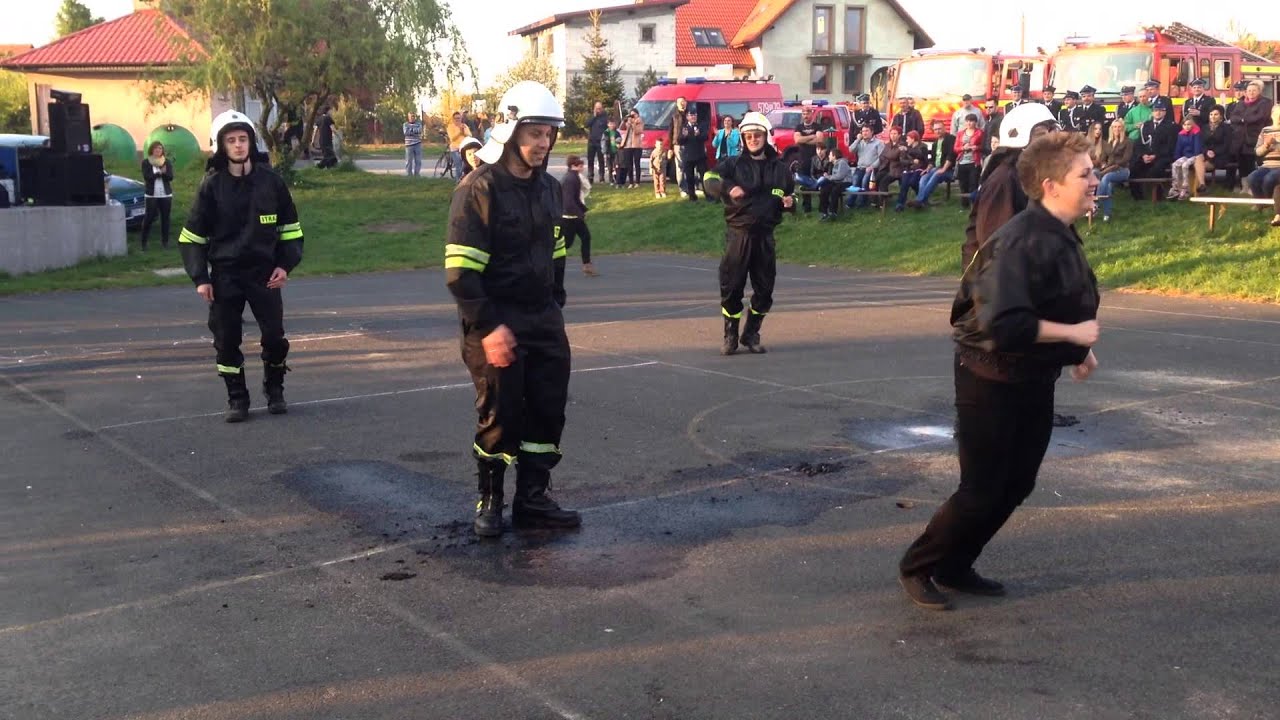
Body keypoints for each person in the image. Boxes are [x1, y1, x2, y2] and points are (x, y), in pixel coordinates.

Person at [899, 131, 1101, 611]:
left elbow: (1060, 299)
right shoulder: (1021, 239)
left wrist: (1078, 352)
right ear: (1052, 185)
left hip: (1031, 375)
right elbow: (1005, 324)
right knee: (982, 488)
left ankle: (955, 564)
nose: (1096, 180)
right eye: (1085, 174)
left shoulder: (1060, 230)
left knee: (1017, 483)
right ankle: (919, 565)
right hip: (989, 376)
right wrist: (1073, 337)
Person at [446, 81, 579, 537]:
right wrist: (489, 327)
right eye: (534, 133)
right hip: (493, 321)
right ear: (510, 131)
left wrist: (555, 302)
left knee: (547, 410)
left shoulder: (548, 188)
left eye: (549, 134)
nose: (543, 143)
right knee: (501, 415)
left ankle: (533, 498)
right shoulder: (477, 189)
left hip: (542, 318)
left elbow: (556, 248)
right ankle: (490, 500)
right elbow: (460, 272)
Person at [179, 110, 303, 423]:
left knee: (274, 336)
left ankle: (275, 389)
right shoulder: (211, 187)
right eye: (231, 140)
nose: (238, 145)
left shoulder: (271, 183)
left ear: (251, 142)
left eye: (243, 139)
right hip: (225, 277)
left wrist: (285, 266)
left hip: (264, 275)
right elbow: (191, 236)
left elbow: (291, 230)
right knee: (226, 338)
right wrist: (200, 278)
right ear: (220, 145)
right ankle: (237, 398)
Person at [716, 111, 794, 356]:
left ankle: (751, 334)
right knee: (732, 287)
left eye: (757, 135)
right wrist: (729, 188)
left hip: (765, 237)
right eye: (748, 136)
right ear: (743, 138)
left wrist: (791, 202)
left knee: (765, 289)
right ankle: (730, 336)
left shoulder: (781, 170)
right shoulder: (732, 164)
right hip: (739, 235)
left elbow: (788, 195)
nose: (753, 139)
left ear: (765, 137)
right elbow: (708, 179)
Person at [961, 102, 1059, 268]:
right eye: (1041, 134)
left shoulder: (1031, 173)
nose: (1050, 141)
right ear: (1020, 140)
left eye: (1052, 132)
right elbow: (995, 244)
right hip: (1003, 282)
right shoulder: (1004, 179)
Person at [1129, 99, 1178, 201]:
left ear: (1164, 112)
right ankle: (1138, 198)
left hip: (1162, 156)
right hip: (1146, 156)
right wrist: (1143, 155)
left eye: (1161, 110)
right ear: (1152, 112)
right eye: (1156, 110)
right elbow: (1140, 143)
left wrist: (1155, 156)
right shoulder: (1146, 125)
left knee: (1156, 170)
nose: (1158, 112)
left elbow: (1170, 146)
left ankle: (1158, 196)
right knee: (1133, 169)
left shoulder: (1171, 126)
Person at [1230, 81, 1276, 188]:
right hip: (1240, 139)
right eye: (1249, 90)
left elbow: (1260, 117)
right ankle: (1244, 187)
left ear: (1259, 91)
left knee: (1254, 163)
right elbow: (1233, 117)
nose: (1251, 93)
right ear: (1245, 92)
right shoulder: (1241, 103)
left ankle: (1254, 187)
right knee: (1243, 164)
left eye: (1254, 90)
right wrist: (1243, 119)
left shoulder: (1265, 102)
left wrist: (1242, 119)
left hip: (1255, 137)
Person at [560, 155, 597, 276]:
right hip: (569, 217)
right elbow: (569, 201)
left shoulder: (574, 177)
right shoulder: (570, 179)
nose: (582, 168)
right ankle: (547, 260)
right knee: (567, 243)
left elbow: (576, 198)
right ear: (573, 166)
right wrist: (580, 213)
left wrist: (583, 210)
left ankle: (587, 265)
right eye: (579, 166)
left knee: (586, 237)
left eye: (582, 165)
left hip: (574, 216)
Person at [1245, 104, 1280, 227]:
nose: (1279, 117)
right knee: (1252, 178)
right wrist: (1265, 146)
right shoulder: (1266, 130)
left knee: (1269, 179)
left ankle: (1266, 204)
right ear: (1272, 115)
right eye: (1277, 114)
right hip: (1266, 164)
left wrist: (1276, 145)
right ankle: (1263, 203)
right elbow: (1257, 152)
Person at [1095, 118, 1133, 222]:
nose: (1117, 129)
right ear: (1111, 128)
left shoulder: (1128, 141)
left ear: (1123, 128)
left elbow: (1126, 158)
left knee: (1106, 177)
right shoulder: (1109, 142)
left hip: (1122, 170)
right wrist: (1102, 163)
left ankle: (1096, 204)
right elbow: (1104, 157)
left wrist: (1111, 166)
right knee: (1107, 184)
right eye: (1114, 127)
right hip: (1109, 170)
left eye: (1119, 127)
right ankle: (1107, 214)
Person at [913, 119, 957, 208]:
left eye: (940, 128)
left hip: (949, 169)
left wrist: (943, 169)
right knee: (924, 177)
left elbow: (950, 156)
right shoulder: (935, 143)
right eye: (936, 129)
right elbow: (932, 160)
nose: (938, 131)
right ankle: (922, 201)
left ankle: (919, 201)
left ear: (944, 128)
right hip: (935, 168)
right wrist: (927, 169)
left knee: (936, 174)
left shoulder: (951, 139)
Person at [140, 141, 174, 250]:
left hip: (165, 194)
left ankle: (165, 242)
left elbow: (170, 177)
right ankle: (144, 243)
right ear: (152, 150)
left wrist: (164, 173)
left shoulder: (166, 162)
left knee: (165, 218)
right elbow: (147, 177)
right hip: (151, 195)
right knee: (149, 217)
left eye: (160, 148)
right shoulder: (146, 162)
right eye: (156, 149)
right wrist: (158, 173)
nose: (158, 150)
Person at [792, 106, 822, 212]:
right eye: (804, 114)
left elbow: (819, 139)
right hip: (803, 159)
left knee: (819, 182)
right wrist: (811, 136)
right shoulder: (799, 127)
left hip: (815, 159)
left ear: (811, 114)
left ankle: (822, 207)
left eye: (808, 113)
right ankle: (807, 208)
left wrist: (804, 140)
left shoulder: (817, 126)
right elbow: (797, 140)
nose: (806, 116)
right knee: (804, 183)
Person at [847, 125, 884, 209]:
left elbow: (881, 158)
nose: (864, 133)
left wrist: (872, 166)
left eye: (867, 131)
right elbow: (851, 150)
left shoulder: (878, 143)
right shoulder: (860, 142)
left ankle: (862, 203)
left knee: (864, 181)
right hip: (860, 167)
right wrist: (858, 139)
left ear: (872, 132)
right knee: (855, 182)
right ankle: (850, 203)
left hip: (872, 169)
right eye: (863, 131)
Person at [1202, 107, 1238, 189]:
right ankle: (1190, 189)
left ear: (1221, 116)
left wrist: (1214, 152)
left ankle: (1199, 189)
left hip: (1220, 155)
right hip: (1206, 154)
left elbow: (1226, 144)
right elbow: (1202, 143)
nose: (1213, 116)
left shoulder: (1226, 128)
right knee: (1194, 163)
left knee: (1201, 166)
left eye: (1216, 114)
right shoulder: (1205, 127)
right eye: (1211, 114)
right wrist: (1206, 151)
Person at [1169, 116, 1203, 200]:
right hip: (1185, 155)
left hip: (1194, 155)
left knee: (1185, 165)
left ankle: (1185, 188)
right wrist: (1176, 157)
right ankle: (1175, 188)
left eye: (1189, 124)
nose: (1187, 126)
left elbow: (1197, 147)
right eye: (1184, 125)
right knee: (1175, 165)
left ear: (1192, 125)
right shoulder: (1181, 134)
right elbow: (1178, 147)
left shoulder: (1196, 133)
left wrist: (1195, 156)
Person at [954, 114, 984, 208]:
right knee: (963, 184)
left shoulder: (980, 133)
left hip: (974, 162)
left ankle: (974, 204)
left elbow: (983, 146)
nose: (969, 123)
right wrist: (963, 148)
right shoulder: (960, 133)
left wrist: (976, 147)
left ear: (975, 122)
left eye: (971, 121)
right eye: (967, 121)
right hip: (962, 161)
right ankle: (964, 205)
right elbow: (955, 148)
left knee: (973, 183)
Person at [894, 130, 929, 211]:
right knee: (904, 183)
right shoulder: (907, 147)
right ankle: (900, 204)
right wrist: (912, 161)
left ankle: (920, 199)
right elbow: (902, 160)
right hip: (909, 169)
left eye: (908, 139)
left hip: (920, 169)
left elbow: (922, 156)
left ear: (913, 139)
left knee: (913, 182)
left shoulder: (923, 146)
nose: (906, 140)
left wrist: (908, 150)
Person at [678, 108, 707, 202]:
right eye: (691, 115)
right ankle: (692, 197)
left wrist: (698, 134)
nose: (693, 117)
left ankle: (708, 195)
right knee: (689, 178)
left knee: (704, 176)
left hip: (700, 155)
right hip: (688, 156)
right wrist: (684, 136)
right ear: (687, 117)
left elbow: (705, 137)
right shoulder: (683, 127)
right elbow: (679, 141)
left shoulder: (701, 126)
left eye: (695, 115)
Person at [818, 147, 852, 221]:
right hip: (837, 182)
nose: (829, 156)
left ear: (834, 156)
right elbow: (835, 178)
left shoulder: (842, 162)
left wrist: (828, 177)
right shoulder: (834, 163)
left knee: (835, 190)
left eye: (830, 155)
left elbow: (839, 176)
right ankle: (823, 212)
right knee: (824, 189)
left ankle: (832, 212)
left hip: (845, 182)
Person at [669, 96, 691, 191]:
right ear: (677, 104)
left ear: (686, 103)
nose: (682, 103)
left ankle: (692, 188)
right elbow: (670, 132)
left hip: (690, 144)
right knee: (680, 167)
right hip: (678, 144)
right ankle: (682, 189)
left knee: (690, 166)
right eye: (680, 102)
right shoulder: (674, 116)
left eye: (683, 101)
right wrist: (670, 148)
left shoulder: (690, 114)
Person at [585, 101, 609, 183]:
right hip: (592, 141)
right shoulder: (592, 116)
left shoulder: (604, 117)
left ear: (602, 109)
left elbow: (607, 128)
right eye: (597, 108)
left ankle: (601, 177)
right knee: (590, 159)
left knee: (601, 160)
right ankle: (590, 176)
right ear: (594, 108)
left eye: (599, 108)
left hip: (600, 142)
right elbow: (586, 124)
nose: (598, 110)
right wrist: (594, 117)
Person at [621, 108, 645, 188]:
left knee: (637, 164)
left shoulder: (640, 121)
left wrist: (633, 123)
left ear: (637, 114)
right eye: (631, 115)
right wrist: (624, 121)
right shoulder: (628, 121)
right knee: (629, 164)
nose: (632, 116)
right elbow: (621, 128)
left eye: (634, 114)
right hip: (627, 145)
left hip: (637, 146)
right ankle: (631, 182)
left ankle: (637, 182)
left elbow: (638, 131)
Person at [446, 111, 472, 183]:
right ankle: (458, 181)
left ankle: (463, 180)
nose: (457, 120)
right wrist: (459, 132)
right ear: (453, 119)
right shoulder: (450, 127)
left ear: (461, 118)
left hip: (464, 148)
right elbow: (452, 138)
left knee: (465, 166)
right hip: (455, 149)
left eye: (459, 118)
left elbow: (470, 135)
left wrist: (464, 132)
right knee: (459, 166)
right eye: (456, 118)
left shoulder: (464, 126)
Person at [403, 112, 424, 177]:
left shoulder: (418, 124)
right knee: (409, 161)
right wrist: (415, 131)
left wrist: (411, 131)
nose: (412, 118)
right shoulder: (405, 124)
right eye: (411, 116)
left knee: (418, 161)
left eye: (413, 116)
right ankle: (409, 175)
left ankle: (417, 174)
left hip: (417, 144)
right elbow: (406, 132)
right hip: (409, 145)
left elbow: (419, 131)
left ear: (415, 117)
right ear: (408, 117)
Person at [602, 118, 622, 186]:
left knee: (616, 166)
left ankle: (617, 179)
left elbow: (620, 139)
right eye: (610, 124)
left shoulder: (617, 132)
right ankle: (611, 180)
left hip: (616, 151)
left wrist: (618, 143)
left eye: (613, 124)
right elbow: (603, 143)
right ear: (608, 124)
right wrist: (605, 152)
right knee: (610, 167)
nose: (612, 125)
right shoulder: (605, 133)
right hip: (609, 152)